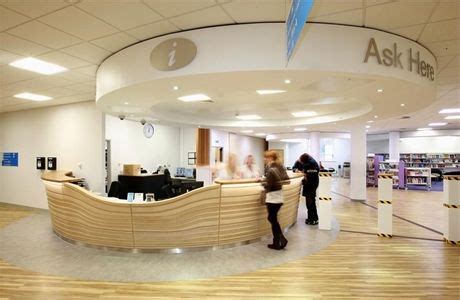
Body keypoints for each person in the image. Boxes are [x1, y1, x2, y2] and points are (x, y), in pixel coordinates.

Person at [262, 150, 290, 250]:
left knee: (272, 219)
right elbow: (286, 179)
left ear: (270, 158)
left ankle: (278, 241)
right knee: (272, 219)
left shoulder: (270, 169)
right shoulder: (280, 167)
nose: (264, 159)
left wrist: (262, 182)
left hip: (272, 198)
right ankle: (279, 240)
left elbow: (268, 186)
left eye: (266, 157)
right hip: (279, 196)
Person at [299, 153, 320, 225]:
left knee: (310, 203)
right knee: (311, 203)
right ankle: (313, 218)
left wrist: (305, 173)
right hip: (312, 185)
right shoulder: (311, 161)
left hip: (310, 186)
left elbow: (315, 171)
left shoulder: (310, 163)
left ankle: (312, 220)